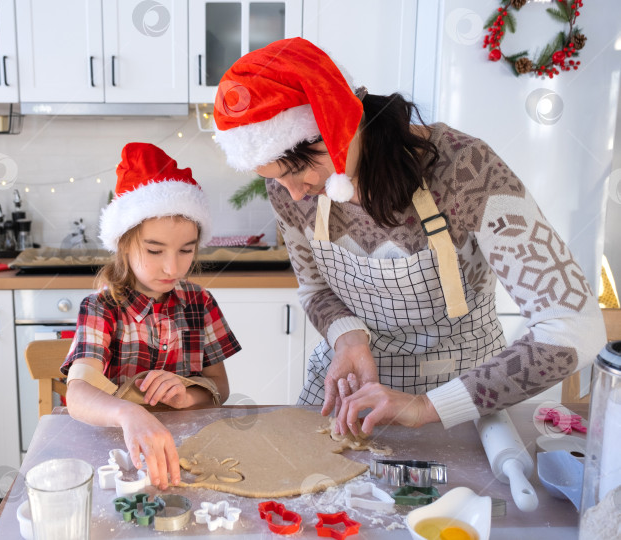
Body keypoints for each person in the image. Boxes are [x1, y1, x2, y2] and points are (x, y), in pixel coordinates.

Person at [212, 37, 605, 437]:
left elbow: (573, 326)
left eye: (295, 171)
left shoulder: (465, 169)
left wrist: (424, 407)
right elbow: (314, 290)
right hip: (352, 392)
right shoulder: (290, 190)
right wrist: (348, 339)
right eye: (275, 178)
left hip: (462, 394)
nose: (292, 192)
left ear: (335, 127)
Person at [61, 143, 241, 489]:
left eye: (186, 250)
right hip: (117, 454)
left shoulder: (199, 303)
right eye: (155, 250)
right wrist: (128, 412)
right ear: (123, 243)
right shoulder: (101, 307)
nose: (172, 267)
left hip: (188, 451)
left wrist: (187, 395)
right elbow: (78, 395)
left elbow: (220, 387)